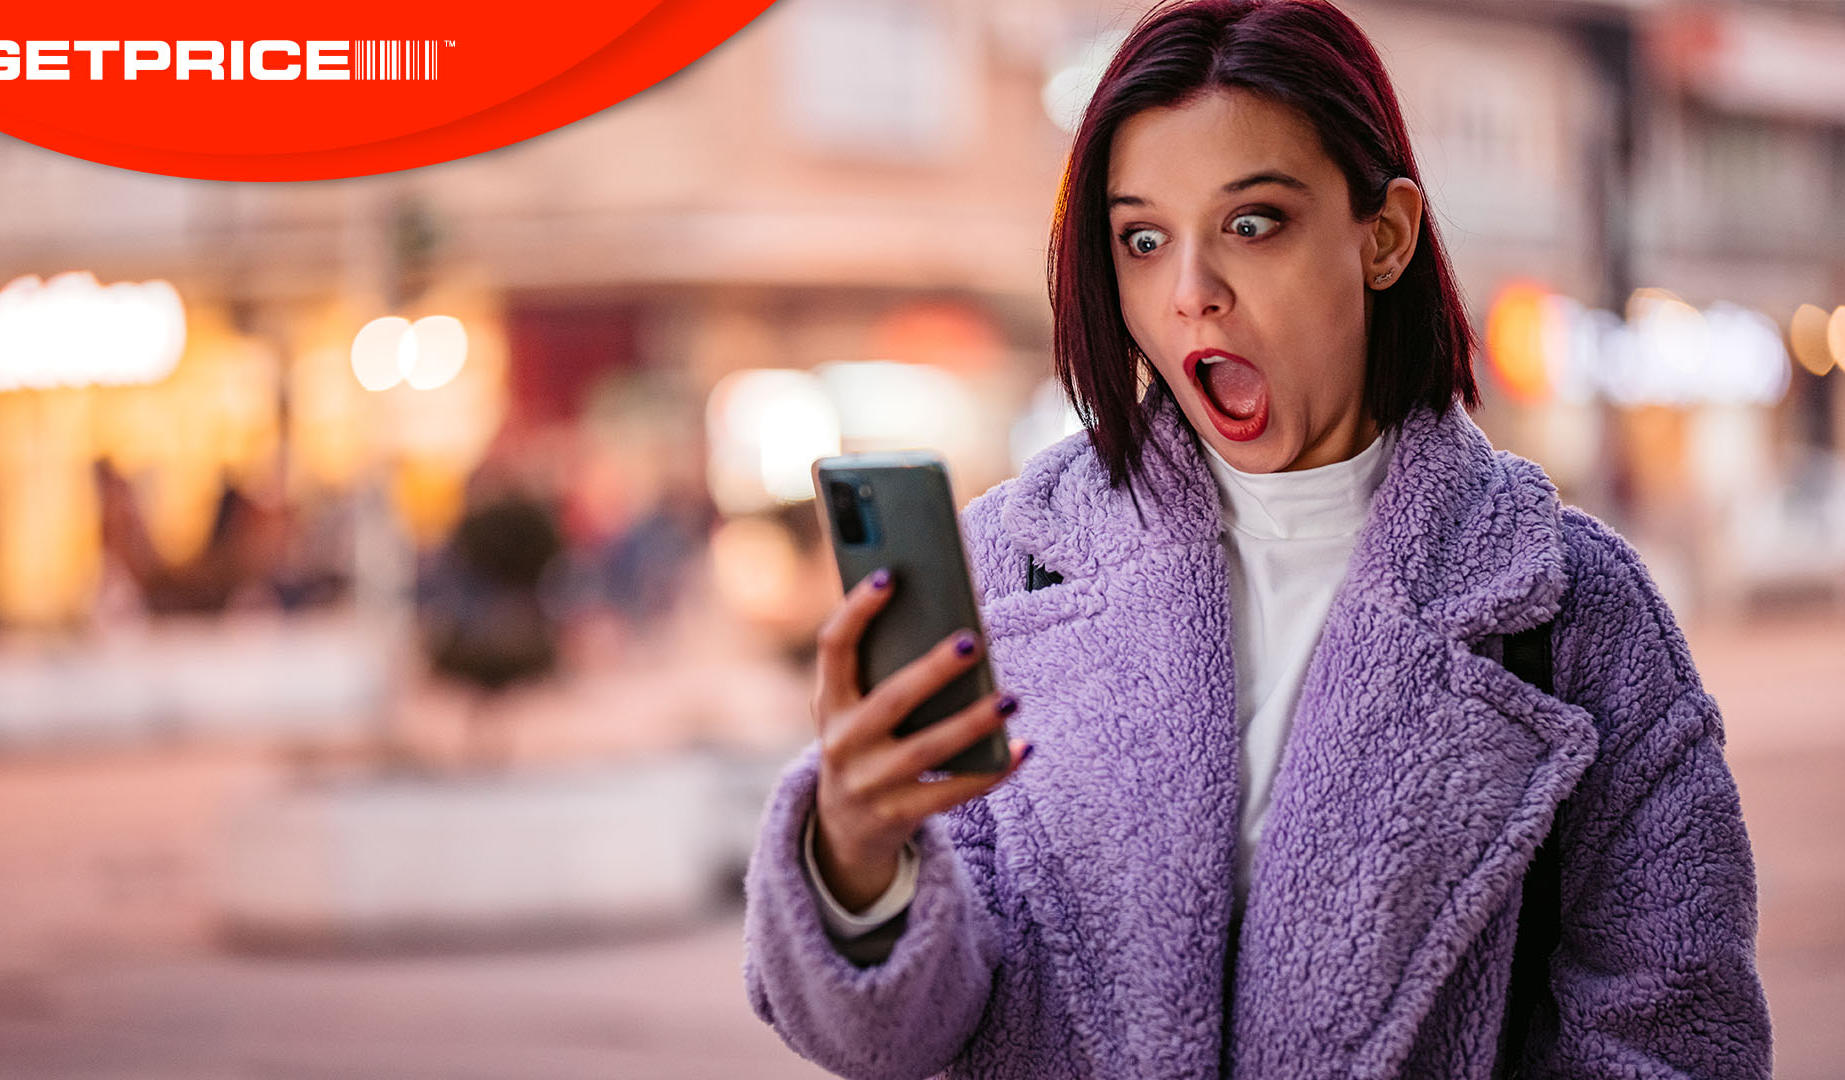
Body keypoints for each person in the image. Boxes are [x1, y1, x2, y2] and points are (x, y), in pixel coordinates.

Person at [740, 1, 1772, 1077]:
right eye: (1143, 239)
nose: (1191, 294)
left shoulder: (1573, 611)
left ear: (1385, 235)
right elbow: (896, 1032)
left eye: (1252, 223)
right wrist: (857, 859)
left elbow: (1676, 1040)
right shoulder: (1011, 566)